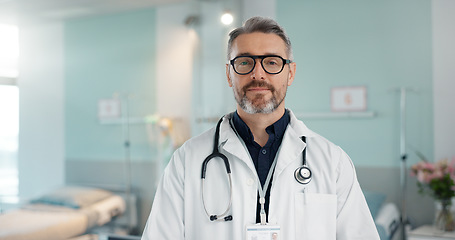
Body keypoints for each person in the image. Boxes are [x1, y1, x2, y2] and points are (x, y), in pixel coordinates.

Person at [142, 16, 379, 240]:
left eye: (272, 62)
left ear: (290, 73)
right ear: (229, 74)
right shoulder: (187, 160)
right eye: (244, 62)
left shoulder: (332, 161)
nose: (258, 73)